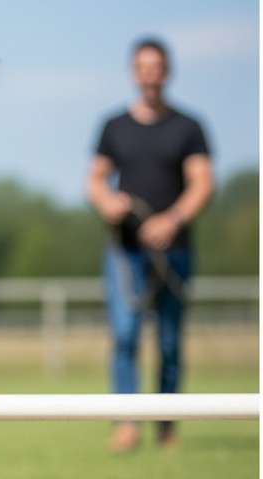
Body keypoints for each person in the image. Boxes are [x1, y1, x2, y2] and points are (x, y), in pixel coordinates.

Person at [86, 37, 213, 452]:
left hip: (173, 249)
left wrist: (171, 219)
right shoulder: (113, 126)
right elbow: (95, 179)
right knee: (124, 336)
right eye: (143, 66)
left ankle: (167, 426)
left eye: (157, 66)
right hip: (125, 252)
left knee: (171, 342)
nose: (150, 74)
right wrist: (106, 201)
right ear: (134, 72)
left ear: (167, 71)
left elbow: (202, 184)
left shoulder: (188, 127)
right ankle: (126, 425)